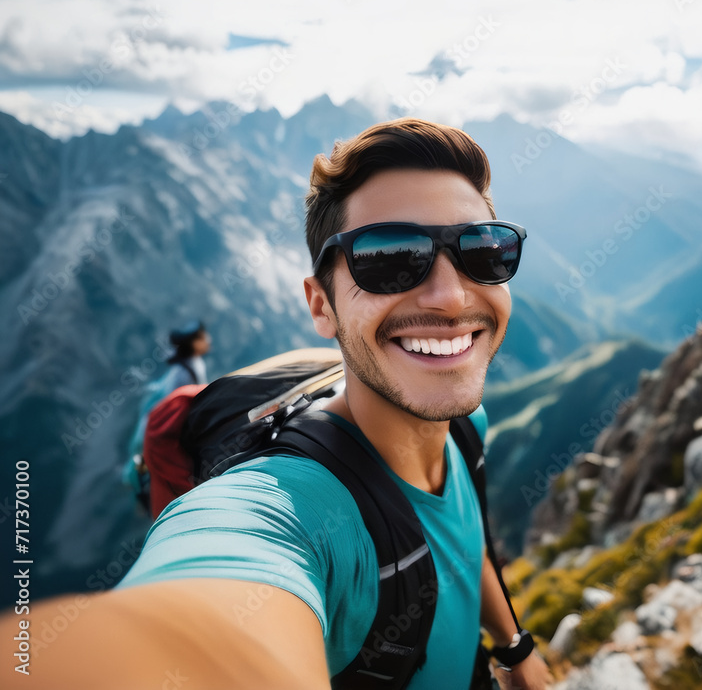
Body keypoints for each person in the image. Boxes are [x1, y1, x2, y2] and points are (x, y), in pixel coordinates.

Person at [9, 118, 552, 689]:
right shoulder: (290, 509)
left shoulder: (466, 426)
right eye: (389, 258)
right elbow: (210, 594)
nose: (450, 295)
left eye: (483, 250)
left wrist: (513, 648)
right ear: (321, 307)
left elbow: (466, 544)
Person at [121, 320, 212, 511]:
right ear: (194, 343)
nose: (209, 340)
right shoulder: (185, 372)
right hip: (157, 431)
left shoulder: (189, 365)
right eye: (204, 337)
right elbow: (173, 408)